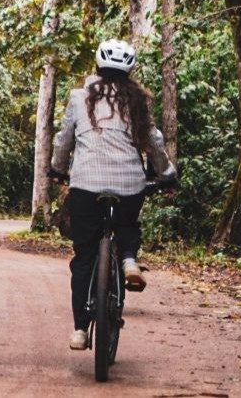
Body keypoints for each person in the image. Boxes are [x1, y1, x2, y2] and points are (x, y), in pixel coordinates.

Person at [49, 39, 176, 351]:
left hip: (85, 185)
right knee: (128, 225)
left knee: (84, 257)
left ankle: (80, 329)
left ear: (97, 67)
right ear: (130, 71)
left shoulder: (79, 98)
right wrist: (167, 175)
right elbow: (154, 143)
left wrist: (57, 168)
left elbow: (64, 140)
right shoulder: (137, 102)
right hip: (129, 183)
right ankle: (129, 261)